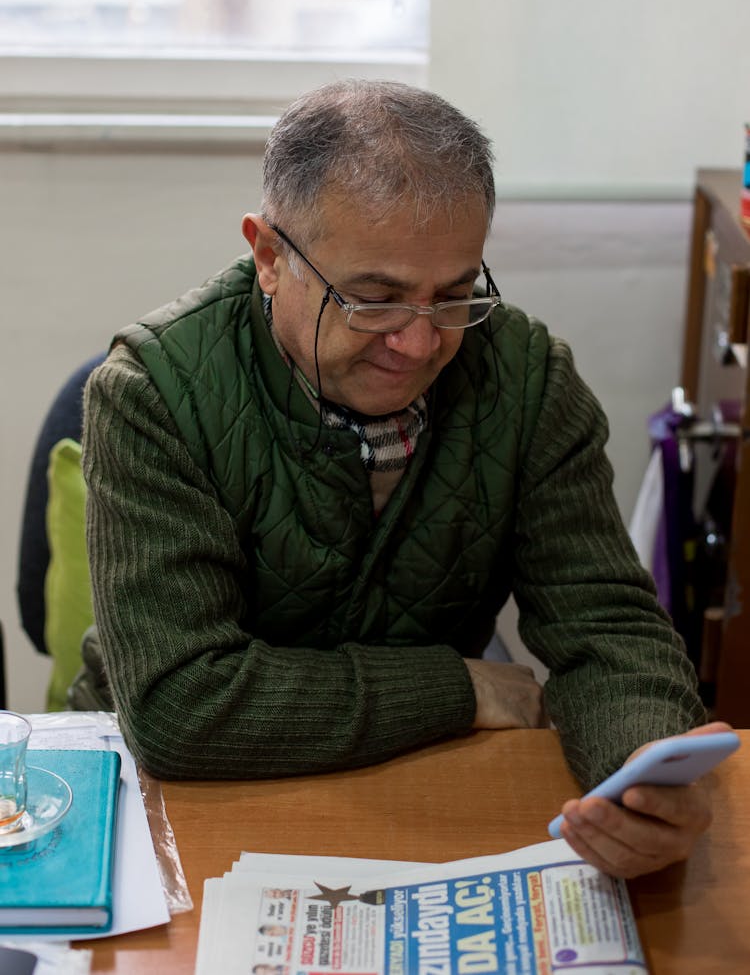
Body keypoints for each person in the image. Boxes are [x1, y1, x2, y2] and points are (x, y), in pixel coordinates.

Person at [79, 79, 730, 879]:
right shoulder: (152, 395)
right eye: (374, 300)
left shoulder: (526, 382)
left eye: (454, 296)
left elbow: (610, 629)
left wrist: (643, 776)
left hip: (416, 781)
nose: (419, 343)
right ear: (270, 255)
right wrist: (457, 688)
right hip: (169, 808)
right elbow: (181, 704)